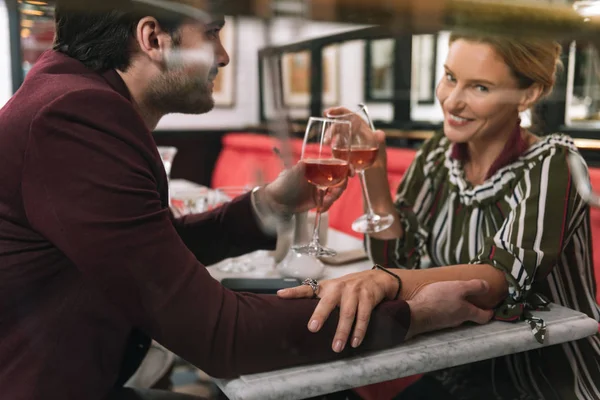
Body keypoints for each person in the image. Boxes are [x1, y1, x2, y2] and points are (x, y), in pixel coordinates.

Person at [0, 1, 496, 399]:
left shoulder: (65, 97)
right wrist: (414, 316)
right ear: (153, 38)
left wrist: (273, 202)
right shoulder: (76, 119)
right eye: (212, 32)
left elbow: (151, 249)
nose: (223, 56)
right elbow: (223, 337)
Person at [279, 33, 600, 399]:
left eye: (479, 87)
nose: (452, 100)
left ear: (528, 95)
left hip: (544, 378)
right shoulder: (437, 154)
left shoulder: (554, 163)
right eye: (450, 77)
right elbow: (396, 257)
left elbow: (500, 278)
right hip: (458, 371)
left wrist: (387, 282)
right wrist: (373, 169)